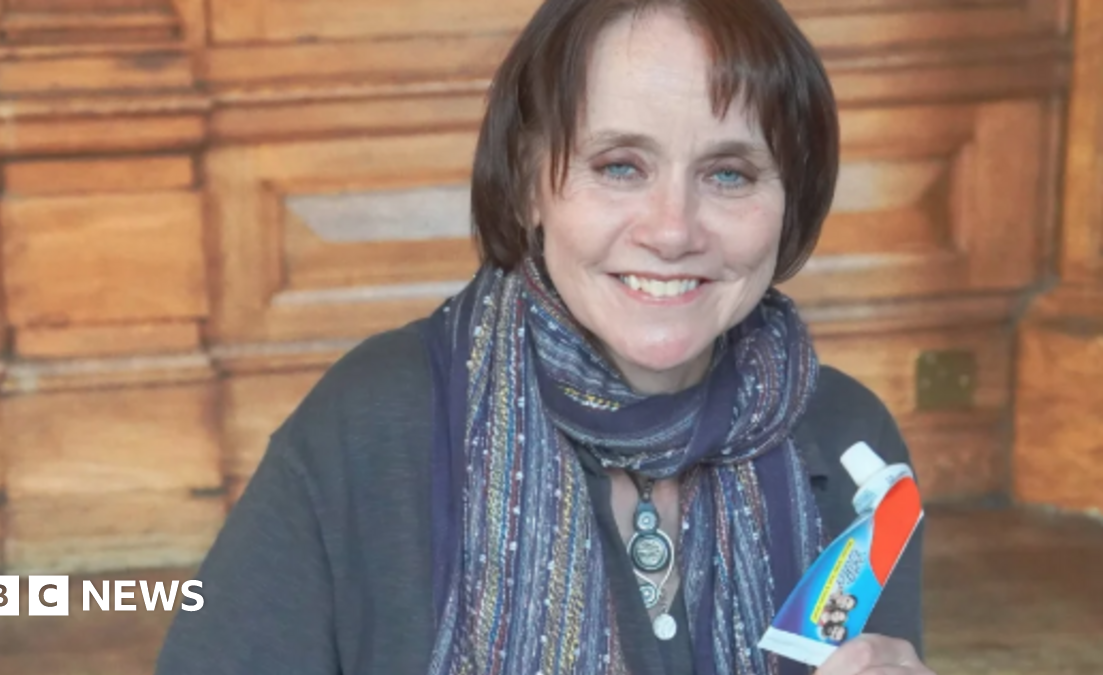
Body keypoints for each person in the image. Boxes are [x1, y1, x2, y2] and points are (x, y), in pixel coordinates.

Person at [155, 1, 935, 674]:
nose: (672, 230)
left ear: (789, 200)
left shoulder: (844, 441)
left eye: (728, 174)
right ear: (531, 181)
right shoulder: (373, 424)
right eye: (620, 165)